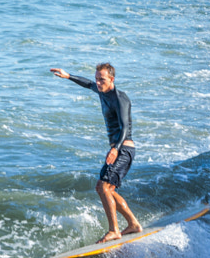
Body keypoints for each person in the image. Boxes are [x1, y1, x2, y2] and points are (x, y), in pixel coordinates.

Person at [49, 63, 143, 243]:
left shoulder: (120, 98)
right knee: (107, 189)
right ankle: (133, 224)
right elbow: (87, 84)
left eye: (102, 80)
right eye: (97, 79)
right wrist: (68, 76)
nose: (98, 83)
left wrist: (115, 149)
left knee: (103, 187)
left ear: (112, 80)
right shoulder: (102, 91)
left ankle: (114, 230)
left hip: (123, 148)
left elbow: (124, 127)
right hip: (118, 148)